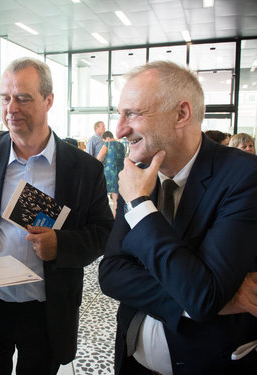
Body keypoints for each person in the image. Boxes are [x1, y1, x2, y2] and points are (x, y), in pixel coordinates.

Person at [0, 57, 113, 375]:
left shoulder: (83, 169)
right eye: (5, 98)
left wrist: (61, 245)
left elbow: (104, 230)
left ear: (49, 100)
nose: (11, 108)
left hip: (46, 308)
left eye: (23, 98)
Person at [98, 60, 257, 375]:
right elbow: (111, 273)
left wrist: (141, 205)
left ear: (181, 114)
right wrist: (218, 301)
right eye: (119, 114)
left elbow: (201, 295)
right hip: (133, 362)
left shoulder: (244, 178)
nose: (120, 130)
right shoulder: (138, 174)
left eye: (133, 113)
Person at [96, 130, 126, 217]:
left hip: (109, 173)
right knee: (116, 198)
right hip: (120, 172)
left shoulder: (107, 144)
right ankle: (115, 218)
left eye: (104, 140)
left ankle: (102, 217)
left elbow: (98, 158)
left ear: (108, 138)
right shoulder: (122, 145)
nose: (104, 142)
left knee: (102, 195)